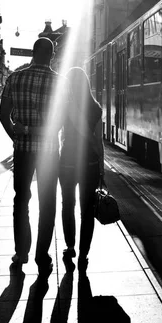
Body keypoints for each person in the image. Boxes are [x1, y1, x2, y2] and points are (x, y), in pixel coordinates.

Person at [0, 37, 61, 275]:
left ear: (33, 54)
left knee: (21, 200)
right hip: (48, 154)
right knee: (47, 204)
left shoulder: (14, 78)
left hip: (23, 151)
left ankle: (21, 251)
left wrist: (17, 136)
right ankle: (41, 256)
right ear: (52, 56)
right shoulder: (60, 82)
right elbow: (59, 122)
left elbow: (4, 115)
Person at [58, 67, 104, 273]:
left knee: (68, 204)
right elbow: (99, 141)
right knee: (87, 211)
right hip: (91, 164)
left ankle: (70, 247)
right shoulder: (96, 108)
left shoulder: (64, 106)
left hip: (67, 162)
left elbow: (55, 132)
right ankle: (84, 254)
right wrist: (102, 168)